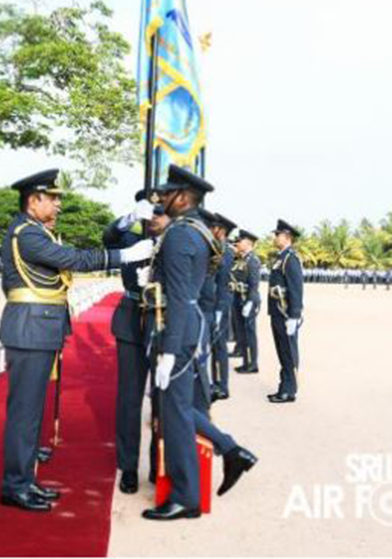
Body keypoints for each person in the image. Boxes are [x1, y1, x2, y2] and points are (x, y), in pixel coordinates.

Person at [0, 168, 153, 512]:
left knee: (31, 411)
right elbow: (74, 259)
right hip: (31, 328)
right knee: (24, 412)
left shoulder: (36, 231)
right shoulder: (28, 234)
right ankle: (15, 485)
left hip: (40, 327)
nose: (58, 206)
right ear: (33, 200)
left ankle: (25, 478)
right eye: (52, 199)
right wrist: (125, 256)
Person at [141, 165, 256, 521]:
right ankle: (231, 449)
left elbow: (177, 296)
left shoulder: (180, 235)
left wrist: (170, 351)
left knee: (173, 413)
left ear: (184, 197)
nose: (161, 198)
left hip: (177, 328)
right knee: (176, 407)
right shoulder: (198, 232)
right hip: (189, 325)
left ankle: (185, 496)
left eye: (168, 193)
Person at [103, 190, 170, 495]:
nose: (153, 217)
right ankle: (128, 467)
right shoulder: (131, 240)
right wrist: (129, 218)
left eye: (159, 210)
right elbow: (108, 237)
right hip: (131, 319)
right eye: (148, 211)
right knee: (129, 400)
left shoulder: (174, 241)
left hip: (161, 321)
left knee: (161, 398)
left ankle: (159, 464)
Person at [267, 219, 304, 403]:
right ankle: (284, 386)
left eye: (278, 234)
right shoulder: (281, 257)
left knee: (289, 353)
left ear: (287, 237)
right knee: (282, 352)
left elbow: (296, 288)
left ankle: (289, 390)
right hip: (277, 312)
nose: (275, 237)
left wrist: (294, 316)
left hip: (286, 313)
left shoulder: (291, 258)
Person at [208, 212, 236, 401]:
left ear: (221, 231)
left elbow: (223, 282)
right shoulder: (217, 248)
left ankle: (222, 386)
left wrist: (218, 310)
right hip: (214, 303)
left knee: (219, 346)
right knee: (214, 346)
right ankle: (216, 382)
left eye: (214, 227)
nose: (211, 230)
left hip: (220, 304)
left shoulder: (225, 251)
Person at [233, 229, 262, 375]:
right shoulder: (242, 259)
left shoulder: (252, 260)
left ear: (249, 243)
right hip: (239, 298)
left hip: (248, 300)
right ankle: (246, 361)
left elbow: (254, 284)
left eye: (241, 240)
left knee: (249, 333)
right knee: (242, 333)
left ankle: (252, 364)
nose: (238, 242)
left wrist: (250, 302)